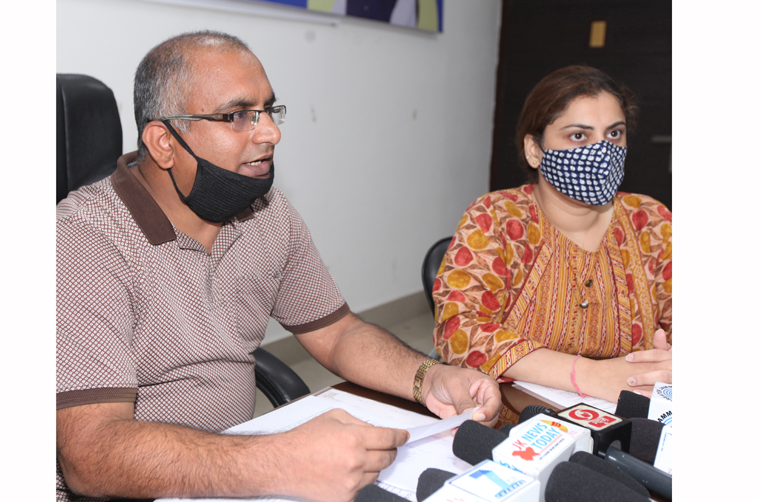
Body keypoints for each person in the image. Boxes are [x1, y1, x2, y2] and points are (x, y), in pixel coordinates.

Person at [56, 31, 501, 502]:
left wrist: (428, 377)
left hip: (232, 469)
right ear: (164, 142)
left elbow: (338, 334)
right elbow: (91, 456)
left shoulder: (266, 211)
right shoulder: (82, 237)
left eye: (268, 110)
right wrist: (280, 461)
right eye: (237, 115)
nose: (271, 132)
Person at [431, 65, 671, 425]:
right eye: (578, 135)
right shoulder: (497, 218)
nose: (602, 151)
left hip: (631, 423)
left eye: (614, 133)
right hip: (514, 421)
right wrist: (591, 376)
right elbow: (459, 331)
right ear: (535, 149)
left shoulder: (650, 221)